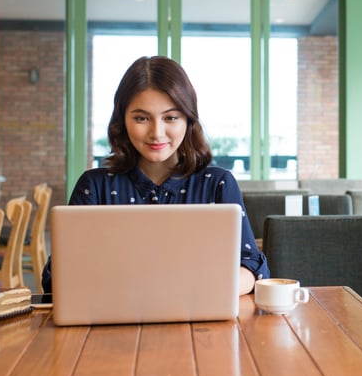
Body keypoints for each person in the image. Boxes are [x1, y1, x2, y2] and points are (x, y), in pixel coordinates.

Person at [41, 56, 269, 295]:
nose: (157, 133)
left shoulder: (217, 184)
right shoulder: (95, 186)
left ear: (188, 120)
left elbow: (252, 266)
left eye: (171, 118)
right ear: (123, 121)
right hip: (111, 322)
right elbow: (57, 277)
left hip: (198, 320)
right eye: (141, 118)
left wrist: (204, 290)